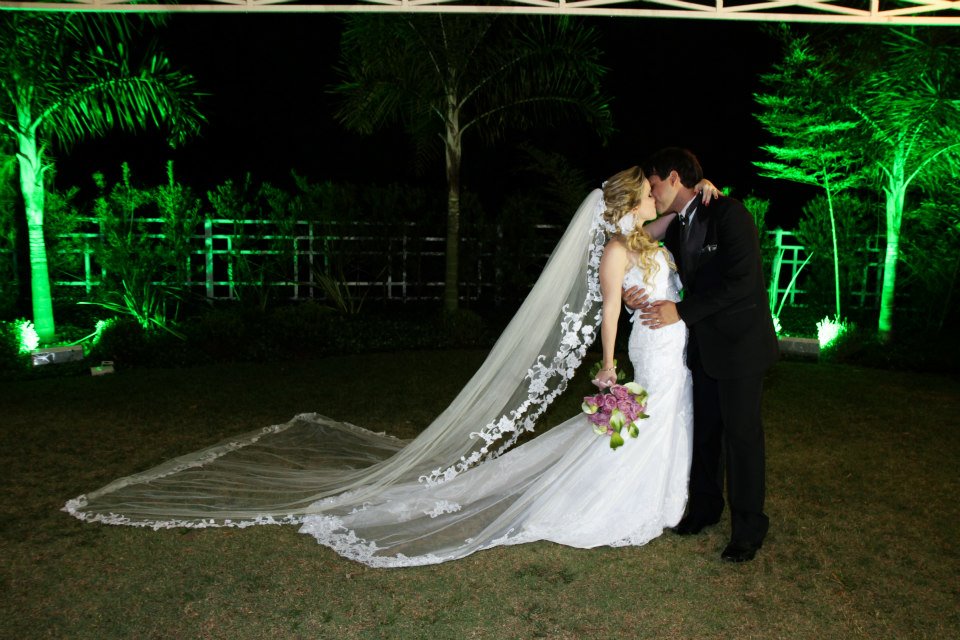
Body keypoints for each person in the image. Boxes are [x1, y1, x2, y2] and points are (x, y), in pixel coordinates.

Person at [64, 167, 718, 568]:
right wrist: (606, 367)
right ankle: (615, 505)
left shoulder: (644, 237)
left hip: (670, 347)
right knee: (644, 424)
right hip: (645, 350)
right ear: (629, 201)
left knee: (665, 422)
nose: (655, 196)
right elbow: (609, 312)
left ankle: (669, 500)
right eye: (649, 192)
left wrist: (697, 200)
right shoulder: (614, 251)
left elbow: (672, 225)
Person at [624, 148, 779, 563]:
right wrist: (630, 290)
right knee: (705, 433)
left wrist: (681, 311)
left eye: (655, 184)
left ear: (674, 178)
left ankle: (748, 529)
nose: (652, 193)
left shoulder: (729, 213)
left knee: (742, 437)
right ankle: (705, 509)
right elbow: (635, 240)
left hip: (741, 346)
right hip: (702, 348)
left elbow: (742, 282)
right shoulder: (678, 223)